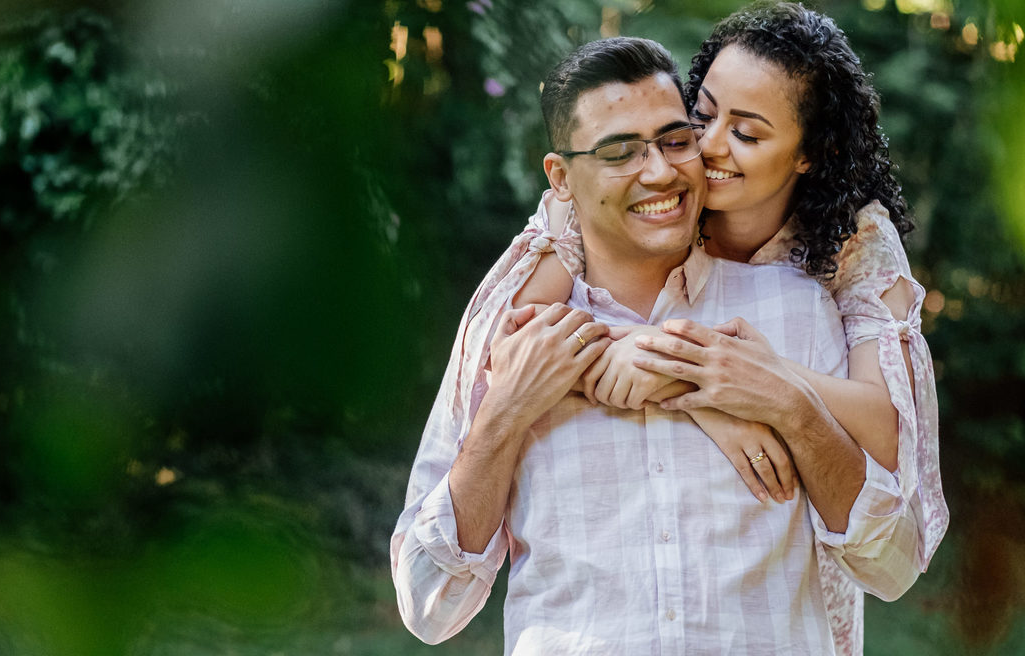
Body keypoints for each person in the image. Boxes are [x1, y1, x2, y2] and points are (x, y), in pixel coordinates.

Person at [391, 36, 924, 654]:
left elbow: (892, 564)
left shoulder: (799, 308)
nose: (660, 171)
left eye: (675, 140)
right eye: (619, 152)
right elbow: (430, 603)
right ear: (560, 178)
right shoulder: (522, 338)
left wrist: (788, 404)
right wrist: (506, 413)